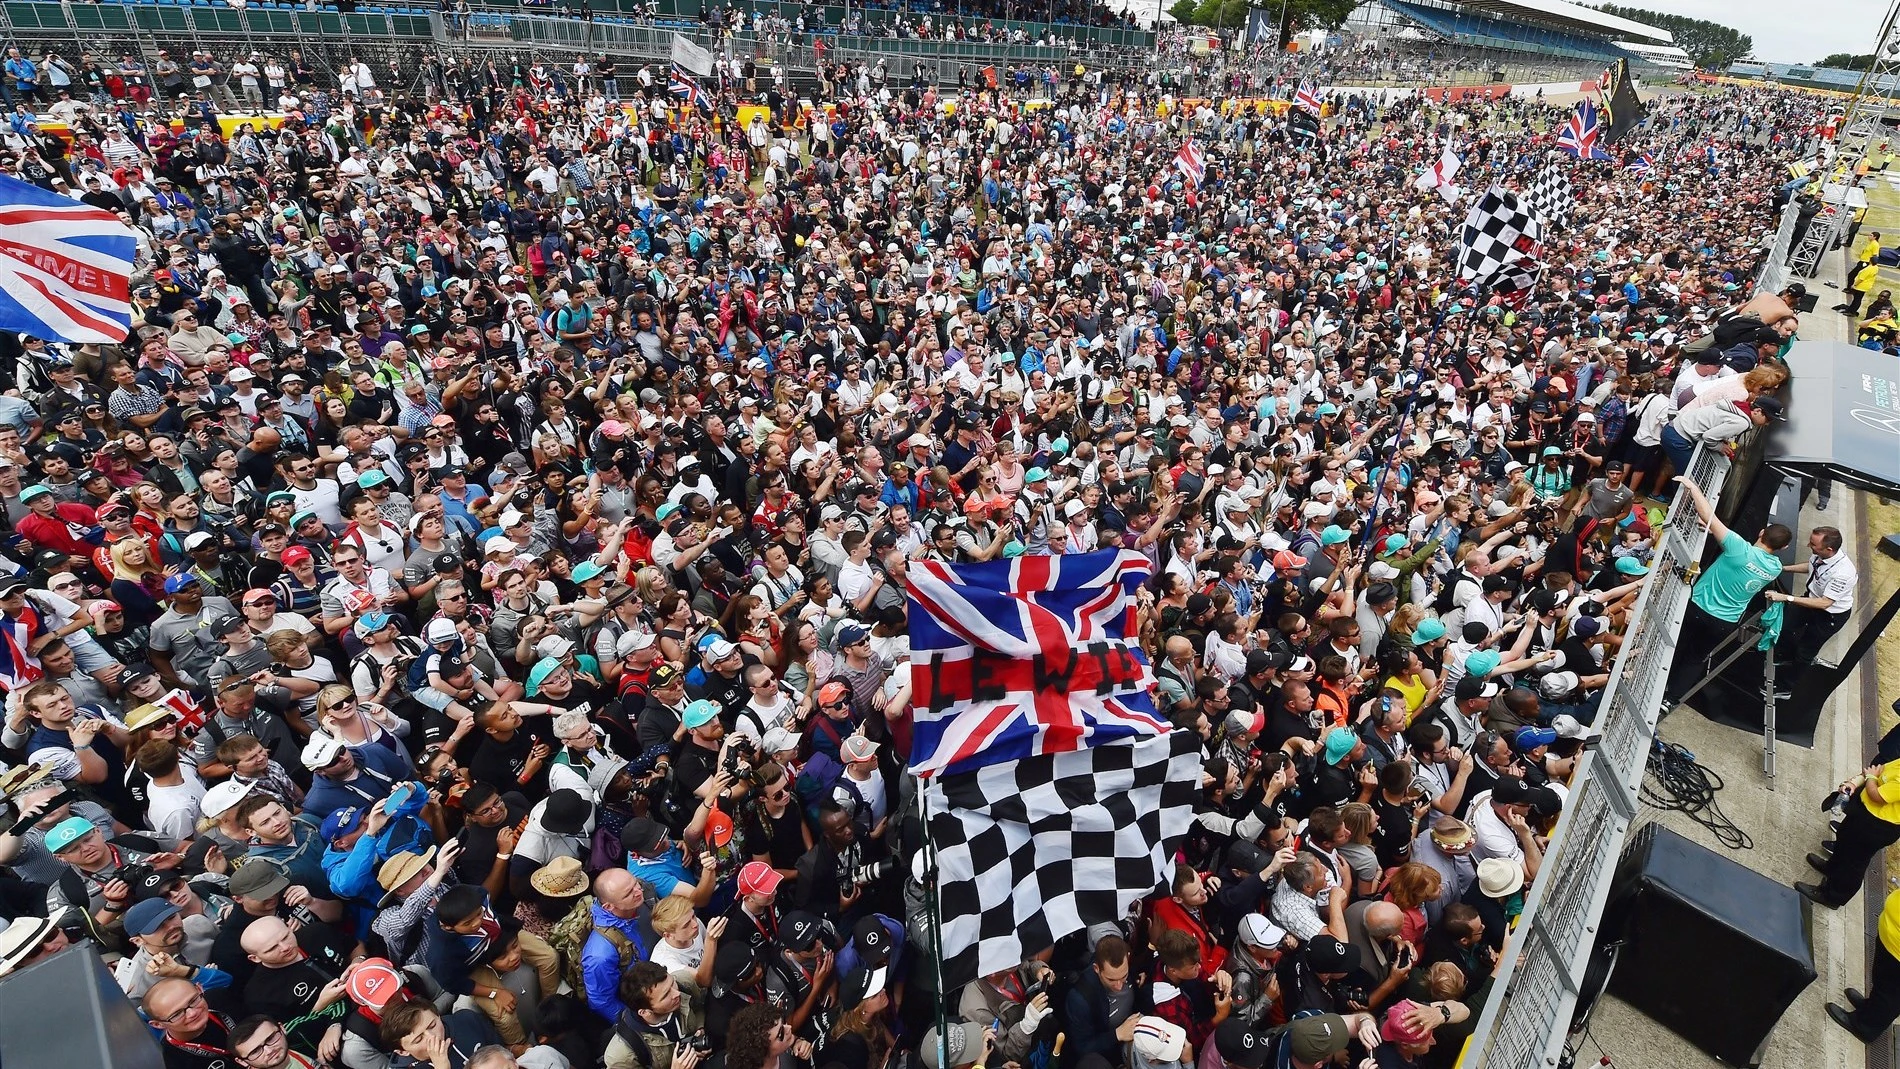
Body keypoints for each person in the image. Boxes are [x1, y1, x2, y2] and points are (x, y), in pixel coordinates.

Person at [1663, 476, 1793, 707]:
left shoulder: (1739, 548)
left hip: (1697, 607)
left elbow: (1708, 515)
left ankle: (1659, 683)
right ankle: (1671, 699)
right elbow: (1744, 552)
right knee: (1695, 659)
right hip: (1725, 622)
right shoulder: (1775, 568)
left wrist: (1693, 486)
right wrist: (1718, 535)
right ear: (1783, 548)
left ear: (1761, 532)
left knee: (1675, 646)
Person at [1768, 525, 1856, 691]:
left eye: (1813, 544)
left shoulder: (1843, 573)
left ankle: (1786, 688)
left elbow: (1825, 603)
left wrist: (1788, 598)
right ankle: (1786, 656)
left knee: (1805, 651)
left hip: (1828, 615)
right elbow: (1810, 567)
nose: (1809, 546)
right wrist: (1782, 569)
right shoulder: (1820, 556)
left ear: (1828, 549)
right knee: (1785, 625)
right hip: (1811, 599)